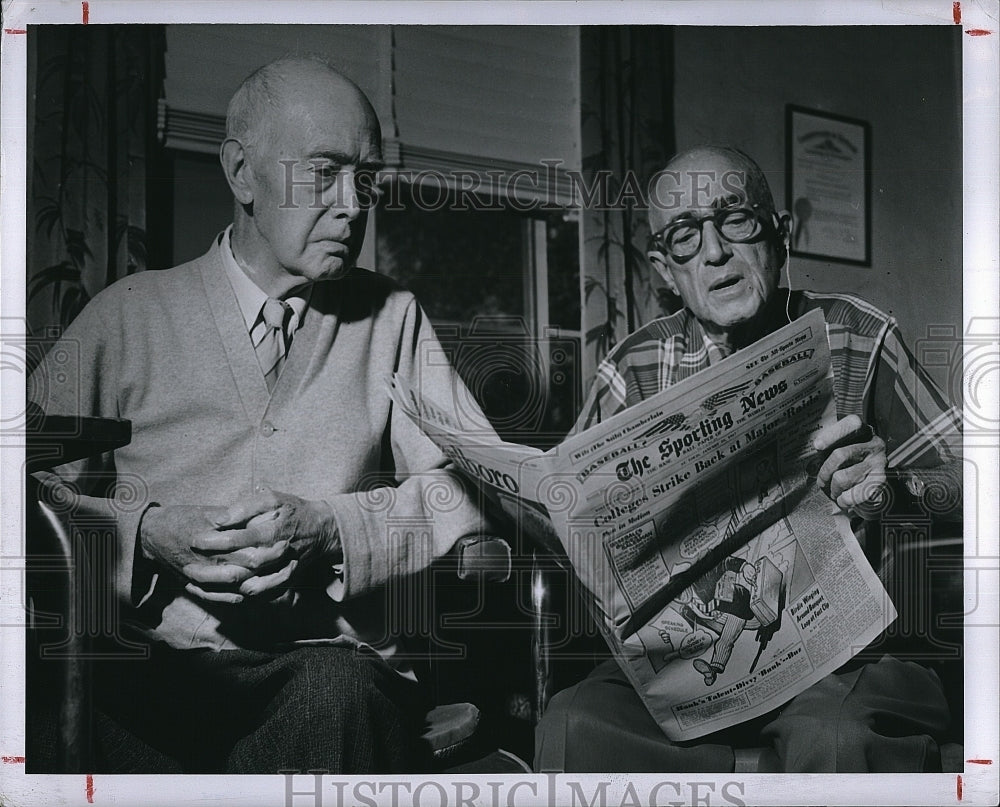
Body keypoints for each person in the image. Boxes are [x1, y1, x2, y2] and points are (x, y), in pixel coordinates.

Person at [27, 56, 496, 774]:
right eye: (324, 174)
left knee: (335, 693)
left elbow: (477, 490)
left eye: (366, 181)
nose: (352, 205)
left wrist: (335, 528)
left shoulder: (393, 318)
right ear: (242, 173)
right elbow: (22, 502)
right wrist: (144, 534)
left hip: (327, 673)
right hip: (154, 676)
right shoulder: (127, 315)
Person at [534, 145, 962, 773]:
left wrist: (895, 486)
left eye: (735, 218)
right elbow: (565, 518)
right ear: (663, 270)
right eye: (684, 235)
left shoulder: (859, 333)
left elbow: (976, 485)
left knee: (833, 737)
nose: (714, 251)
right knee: (573, 725)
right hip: (692, 661)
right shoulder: (633, 366)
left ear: (779, 233)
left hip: (847, 656)